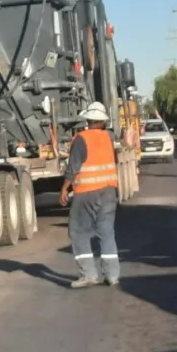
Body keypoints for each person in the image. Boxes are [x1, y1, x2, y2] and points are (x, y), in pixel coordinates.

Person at [59, 101, 121, 288]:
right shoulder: (108, 138)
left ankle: (88, 274)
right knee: (107, 233)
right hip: (109, 192)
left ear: (87, 119)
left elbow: (74, 168)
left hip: (87, 193)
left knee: (78, 231)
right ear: (102, 121)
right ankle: (112, 275)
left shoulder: (81, 138)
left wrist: (64, 188)